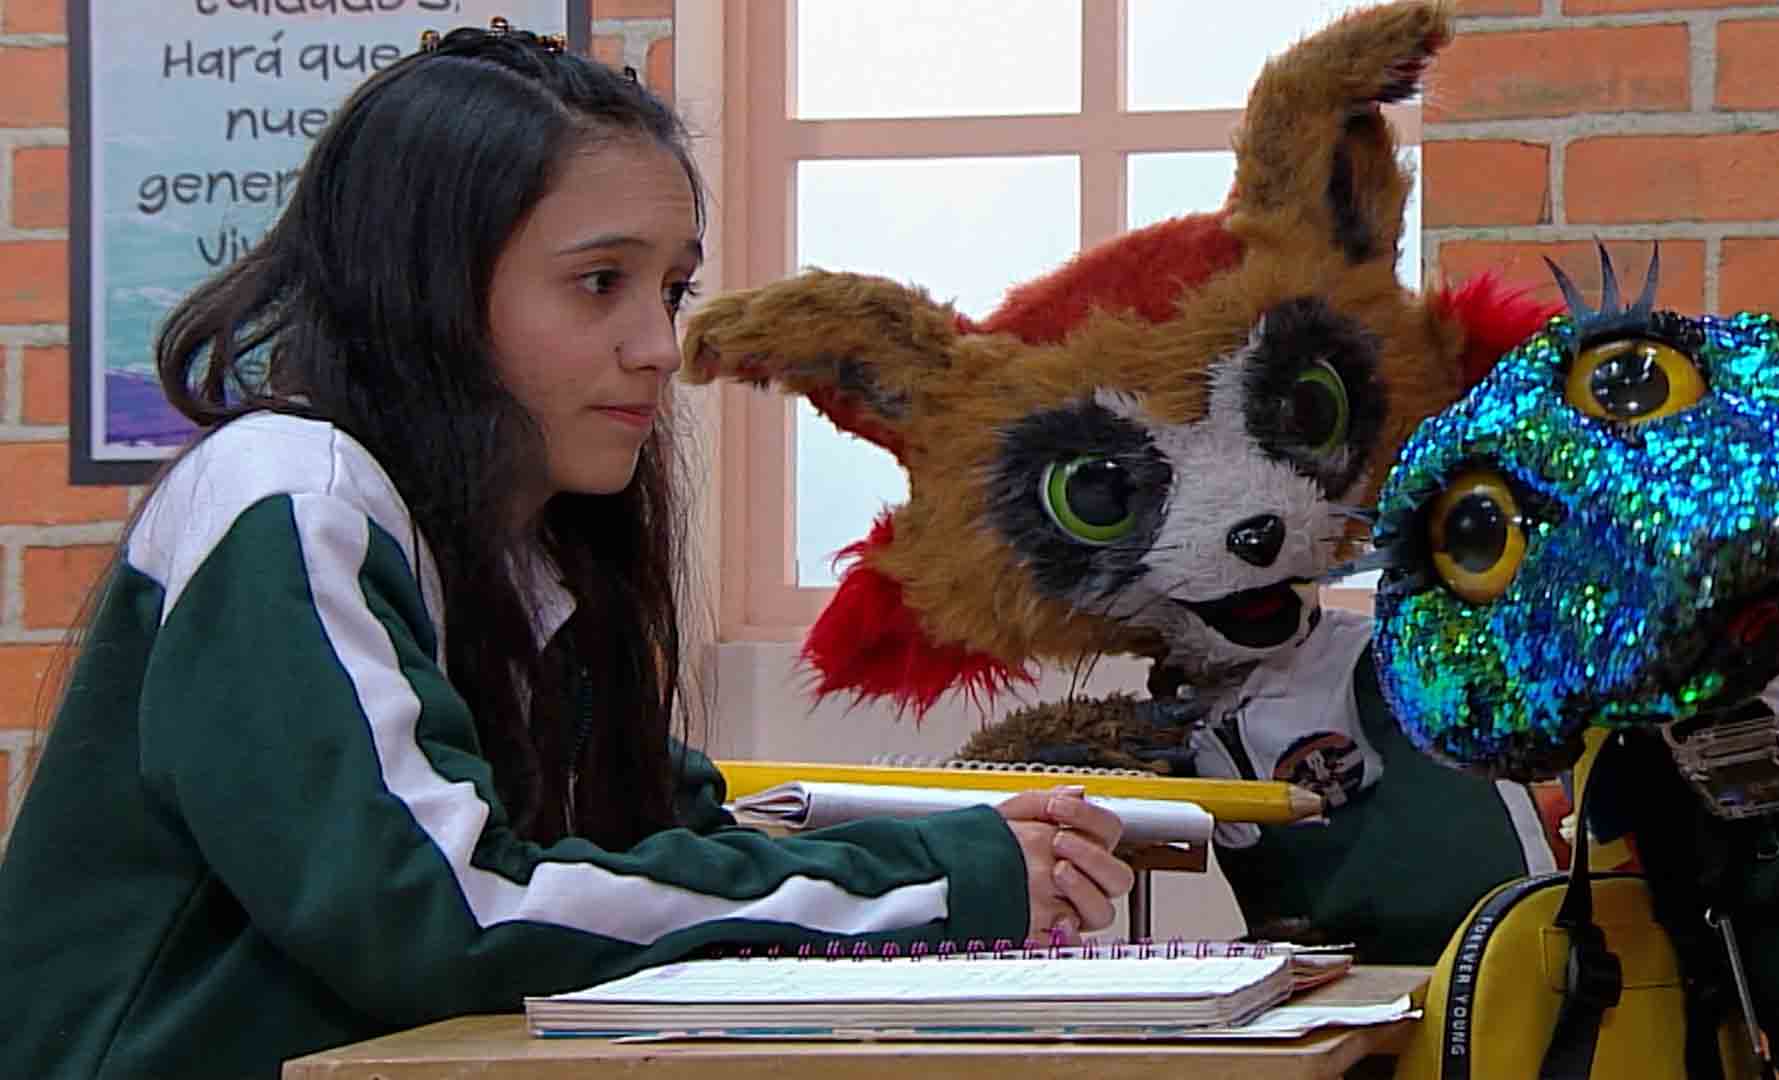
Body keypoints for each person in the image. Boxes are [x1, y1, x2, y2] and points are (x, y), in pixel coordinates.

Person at [0, 24, 1134, 1079]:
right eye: (602, 283)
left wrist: (973, 845)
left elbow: (652, 837)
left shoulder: (526, 550)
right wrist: (938, 882)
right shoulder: (291, 494)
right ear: (428, 288)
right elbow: (446, 913)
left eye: (672, 287)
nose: (659, 348)